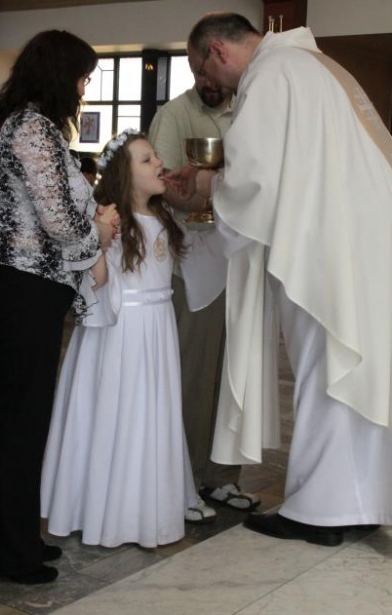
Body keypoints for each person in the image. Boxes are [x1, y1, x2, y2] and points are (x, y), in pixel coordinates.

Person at [178, 11, 392, 546]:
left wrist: (206, 183)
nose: (208, 82)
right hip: (362, 243)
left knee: (325, 371)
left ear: (218, 51)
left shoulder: (273, 75)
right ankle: (358, 501)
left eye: (202, 69)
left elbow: (254, 178)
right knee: (353, 373)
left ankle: (319, 511)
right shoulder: (317, 68)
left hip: (324, 248)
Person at [0, 29, 119, 585]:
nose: (83, 87)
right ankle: (8, 554)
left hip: (24, 284)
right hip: (22, 284)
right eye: (82, 77)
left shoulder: (24, 123)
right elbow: (58, 220)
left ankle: (7, 540)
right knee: (19, 422)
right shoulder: (31, 128)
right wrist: (97, 240)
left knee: (19, 419)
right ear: (60, 75)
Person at [41, 129, 227, 548]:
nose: (159, 162)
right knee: (120, 411)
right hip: (121, 334)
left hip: (157, 329)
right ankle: (111, 510)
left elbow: (196, 259)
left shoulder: (163, 218)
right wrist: (97, 237)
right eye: (147, 159)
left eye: (155, 156)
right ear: (124, 175)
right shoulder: (113, 218)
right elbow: (95, 281)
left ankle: (152, 503)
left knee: (153, 413)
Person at [149, 77, 260, 512]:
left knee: (235, 374)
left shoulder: (247, 110)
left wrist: (223, 194)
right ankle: (187, 477)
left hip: (241, 259)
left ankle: (222, 476)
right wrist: (209, 195)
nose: (211, 83)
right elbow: (163, 186)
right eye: (202, 72)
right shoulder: (175, 114)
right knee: (195, 373)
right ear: (197, 63)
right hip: (195, 259)